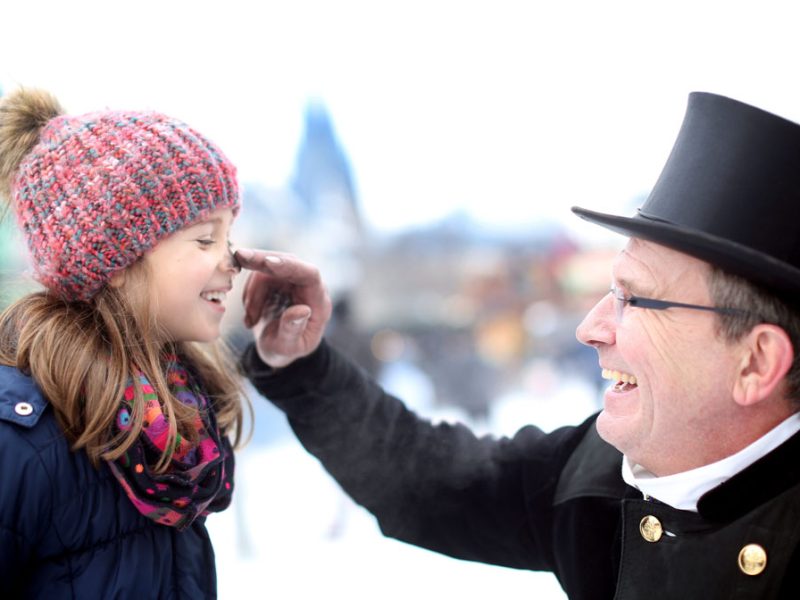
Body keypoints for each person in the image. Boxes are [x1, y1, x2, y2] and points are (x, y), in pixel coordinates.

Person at [235, 92, 800, 599]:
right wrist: (302, 365)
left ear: (756, 362)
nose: (590, 329)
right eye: (611, 289)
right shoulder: (600, 478)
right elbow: (430, 480)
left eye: (636, 299)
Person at [0, 88, 245, 597]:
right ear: (114, 262)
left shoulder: (172, 423)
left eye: (230, 237)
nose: (233, 260)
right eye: (205, 238)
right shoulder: (23, 441)